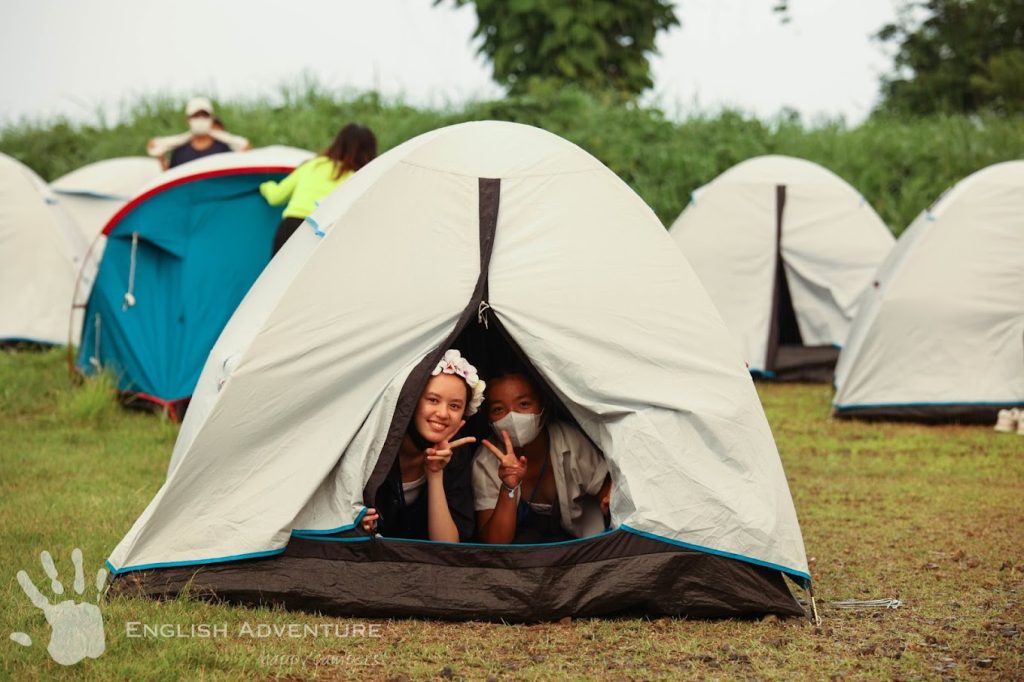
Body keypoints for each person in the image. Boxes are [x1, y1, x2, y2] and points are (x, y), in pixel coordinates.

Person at [361, 349, 485, 542]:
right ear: (412, 402)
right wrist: (359, 525)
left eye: (454, 406)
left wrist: (435, 474)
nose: (443, 414)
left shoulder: (456, 452)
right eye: (433, 400)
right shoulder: (374, 444)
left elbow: (446, 546)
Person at [474, 370, 612, 544]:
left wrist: (609, 500)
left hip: (582, 547)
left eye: (523, 404)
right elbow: (494, 542)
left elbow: (605, 487)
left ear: (543, 408)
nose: (513, 416)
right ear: (489, 419)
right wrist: (508, 488)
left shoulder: (571, 441)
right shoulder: (485, 461)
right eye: (498, 409)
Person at [260, 123, 377, 255]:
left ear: (337, 143)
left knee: (277, 275)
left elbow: (276, 197)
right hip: (323, 234)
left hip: (290, 228)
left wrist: (265, 185)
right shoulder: (359, 178)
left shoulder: (313, 165)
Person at [146, 97, 249, 169]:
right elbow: (171, 178)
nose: (200, 119)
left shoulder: (223, 148)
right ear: (188, 120)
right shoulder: (180, 152)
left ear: (211, 119)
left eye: (204, 115)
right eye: (196, 116)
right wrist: (160, 157)